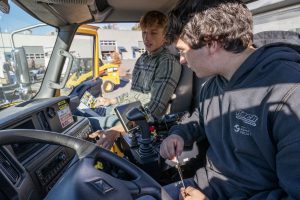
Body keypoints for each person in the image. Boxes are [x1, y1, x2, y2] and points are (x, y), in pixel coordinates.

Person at [159, 0, 300, 199]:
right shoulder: (214, 84)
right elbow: (200, 117)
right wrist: (180, 134)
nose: (181, 59)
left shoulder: (290, 93)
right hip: (201, 187)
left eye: (182, 50)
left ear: (211, 43)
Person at [89, 10, 182, 149]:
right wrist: (111, 101)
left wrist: (117, 130)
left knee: (85, 123)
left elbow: (155, 108)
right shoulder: (142, 59)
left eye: (153, 33)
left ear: (165, 35)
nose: (147, 38)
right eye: (144, 32)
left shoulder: (167, 62)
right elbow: (134, 93)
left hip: (141, 121)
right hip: (127, 111)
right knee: (88, 114)